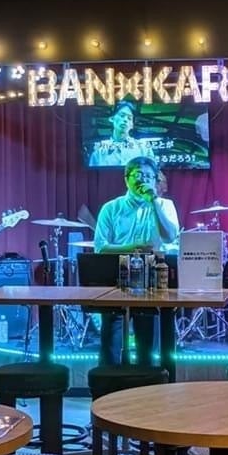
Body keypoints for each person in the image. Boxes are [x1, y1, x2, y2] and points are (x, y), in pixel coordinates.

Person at [94, 156, 180, 364]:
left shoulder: (165, 205)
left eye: (149, 176)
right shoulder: (111, 208)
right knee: (111, 341)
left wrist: (154, 202)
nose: (144, 180)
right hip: (117, 277)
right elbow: (100, 247)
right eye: (138, 175)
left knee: (148, 343)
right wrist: (131, 248)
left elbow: (170, 236)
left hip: (152, 278)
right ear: (127, 179)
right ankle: (109, 380)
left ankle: (147, 381)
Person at [88, 99, 156, 167]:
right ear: (112, 118)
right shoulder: (98, 153)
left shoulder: (144, 149)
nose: (125, 120)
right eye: (122, 115)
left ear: (132, 125)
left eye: (129, 118)